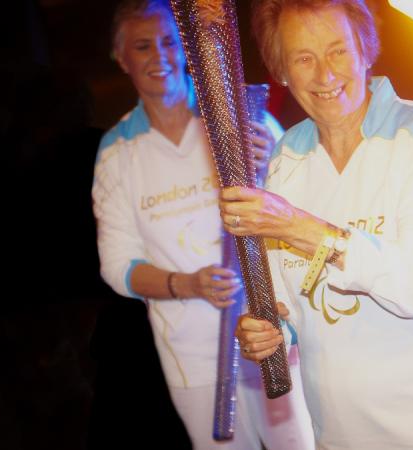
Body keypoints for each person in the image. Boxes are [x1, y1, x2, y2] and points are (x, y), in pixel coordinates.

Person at [225, 1, 413, 448]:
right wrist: (269, 332)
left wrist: (299, 226)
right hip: (341, 429)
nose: (324, 75)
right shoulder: (286, 160)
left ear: (364, 49)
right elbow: (291, 302)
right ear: (281, 70)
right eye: (303, 58)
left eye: (337, 50)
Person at [91, 1, 313, 448]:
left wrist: (273, 159)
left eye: (171, 41)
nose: (161, 56)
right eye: (142, 46)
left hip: (272, 331)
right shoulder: (117, 152)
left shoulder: (238, 119)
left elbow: (304, 206)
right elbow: (118, 267)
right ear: (122, 58)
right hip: (194, 360)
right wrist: (187, 284)